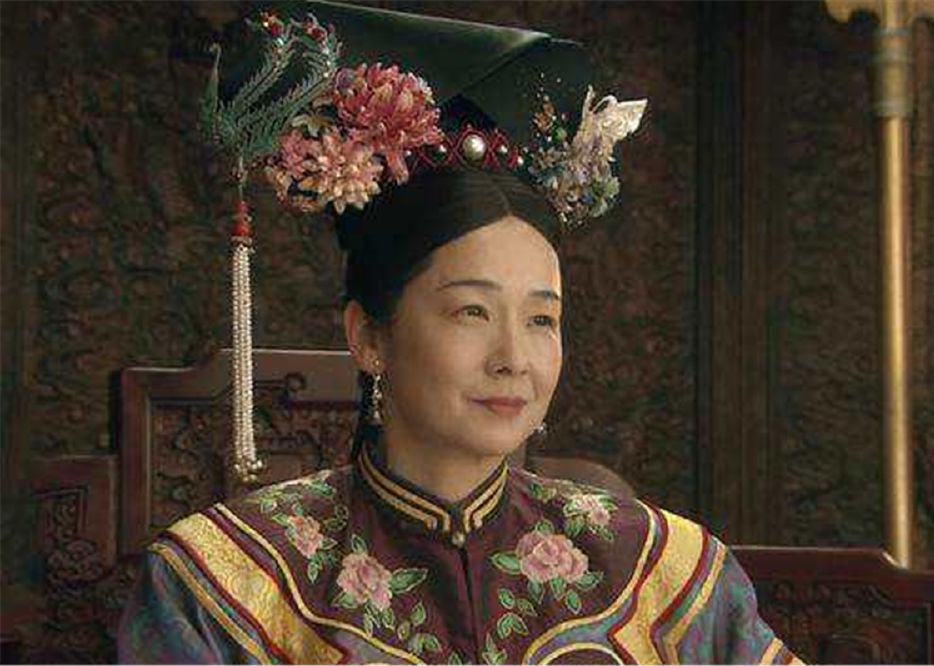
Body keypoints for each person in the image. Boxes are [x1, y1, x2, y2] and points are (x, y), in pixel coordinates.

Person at [117, 4, 800, 664]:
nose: (513, 359)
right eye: (472, 312)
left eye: (541, 319)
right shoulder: (226, 581)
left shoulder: (660, 572)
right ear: (369, 336)